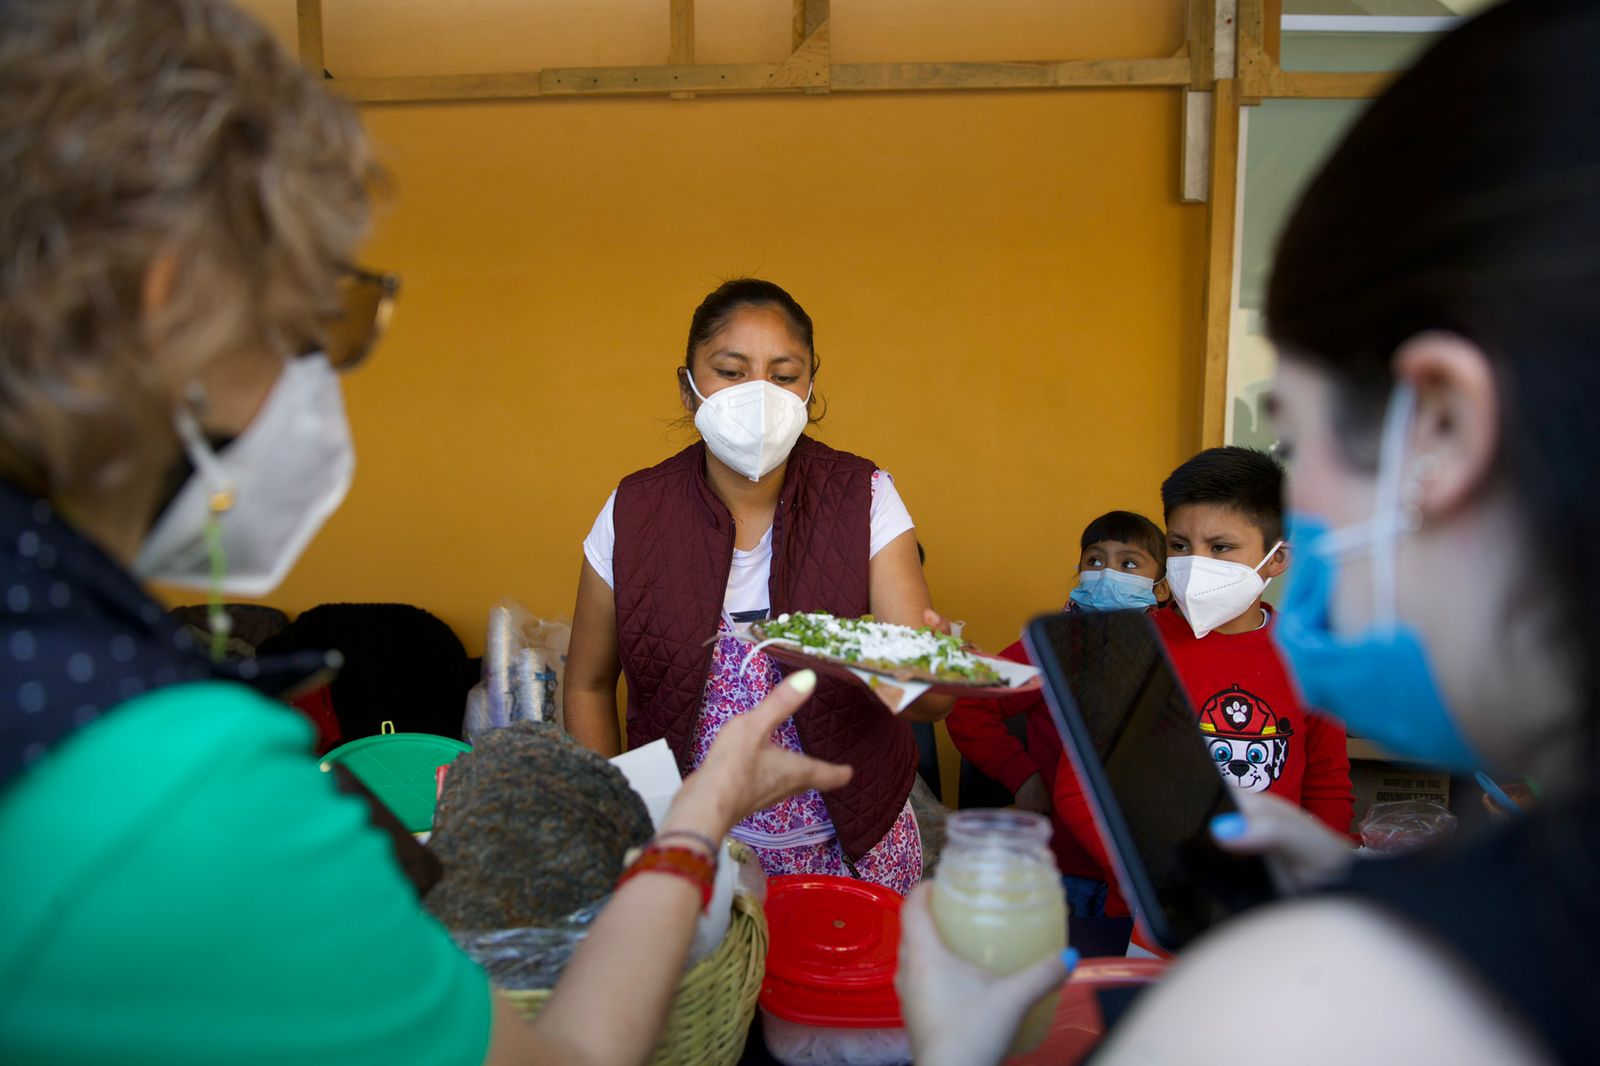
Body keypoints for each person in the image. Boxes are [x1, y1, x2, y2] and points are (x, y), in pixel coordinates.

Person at [0, 3, 850, 1063]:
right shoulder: (178, 786)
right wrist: (700, 816)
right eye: (320, 318)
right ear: (169, 302)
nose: (321, 377)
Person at [899, 0, 1600, 1061]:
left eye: (1298, 437)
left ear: (1443, 427)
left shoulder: (1297, 1007)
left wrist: (961, 1047)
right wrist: (1346, 884)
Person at [564, 278, 946, 894]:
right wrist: (618, 828)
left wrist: (934, 672)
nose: (759, 395)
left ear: (810, 386)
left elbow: (927, 700)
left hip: (854, 847)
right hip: (693, 852)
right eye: (731, 371)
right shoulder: (632, 512)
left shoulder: (866, 497)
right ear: (687, 386)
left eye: (784, 374)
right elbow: (586, 684)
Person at [944, 509, 1168, 919]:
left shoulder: (1174, 655)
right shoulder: (1051, 646)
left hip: (1143, 872)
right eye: (1095, 560)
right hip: (1060, 869)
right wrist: (1022, 775)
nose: (1107, 573)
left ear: (1162, 587)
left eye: (1128, 564)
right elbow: (969, 702)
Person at [1158, 446, 1353, 834]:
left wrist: (1311, 863)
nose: (1195, 565)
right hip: (1153, 870)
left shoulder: (1308, 656)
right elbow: (1084, 785)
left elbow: (1326, 786)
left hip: (1270, 868)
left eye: (1220, 547)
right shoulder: (1132, 644)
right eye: (1179, 545)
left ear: (1277, 559)